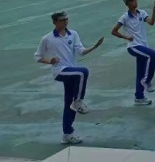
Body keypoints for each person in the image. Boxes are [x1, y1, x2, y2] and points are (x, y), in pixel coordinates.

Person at [34, 11, 104, 144]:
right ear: (54, 22)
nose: (65, 21)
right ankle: (79, 100)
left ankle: (67, 134)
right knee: (83, 72)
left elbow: (81, 51)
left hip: (71, 71)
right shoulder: (47, 39)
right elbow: (38, 57)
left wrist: (94, 47)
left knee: (69, 104)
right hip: (59, 71)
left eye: (66, 19)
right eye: (62, 20)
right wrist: (50, 61)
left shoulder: (73, 34)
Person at [111, 0, 155, 105]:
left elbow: (151, 22)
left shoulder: (142, 13)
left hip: (143, 46)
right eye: (131, 1)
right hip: (133, 46)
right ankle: (147, 81)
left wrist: (154, 9)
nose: (134, 2)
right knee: (153, 55)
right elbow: (114, 31)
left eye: (134, 0)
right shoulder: (124, 17)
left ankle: (139, 97)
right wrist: (126, 37)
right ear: (127, 4)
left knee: (140, 72)